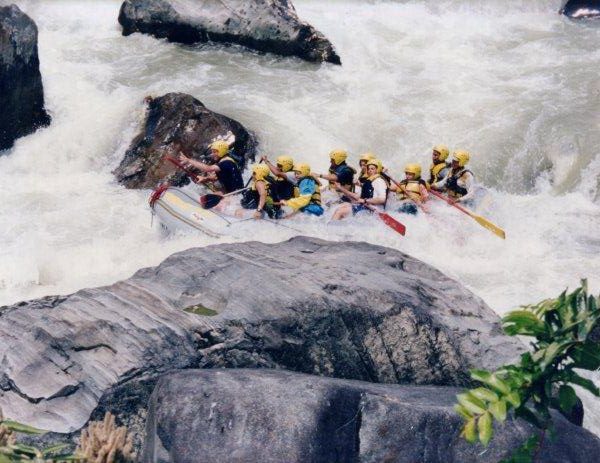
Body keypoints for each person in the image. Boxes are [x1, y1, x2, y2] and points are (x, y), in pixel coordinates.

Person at [178, 140, 244, 193]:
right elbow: (219, 178)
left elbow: (208, 168)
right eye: (212, 152)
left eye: (215, 152)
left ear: (221, 151)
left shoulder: (227, 163)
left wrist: (188, 160)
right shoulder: (224, 161)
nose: (212, 154)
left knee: (215, 187)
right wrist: (206, 179)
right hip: (231, 192)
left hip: (237, 194)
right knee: (215, 184)